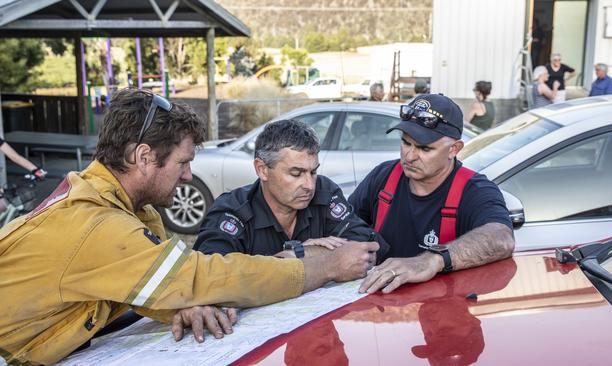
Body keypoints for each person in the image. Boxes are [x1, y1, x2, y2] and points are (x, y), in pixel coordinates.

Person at [0, 89, 376, 365]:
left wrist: (180, 303)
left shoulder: (131, 210)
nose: (188, 175)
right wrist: (325, 265)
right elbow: (200, 274)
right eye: (182, 162)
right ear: (143, 157)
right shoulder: (96, 224)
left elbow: (170, 285)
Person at [348, 93, 515, 294]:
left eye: (424, 148)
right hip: (385, 312)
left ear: (454, 149)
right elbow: (345, 226)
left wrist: (432, 260)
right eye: (405, 142)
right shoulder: (383, 177)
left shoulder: (475, 190)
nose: (409, 156)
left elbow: (502, 238)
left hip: (441, 314)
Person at [194, 119, 387, 260]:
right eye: (296, 174)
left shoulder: (324, 192)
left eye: (313, 172)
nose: (309, 185)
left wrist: (308, 253)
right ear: (262, 169)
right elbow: (212, 276)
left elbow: (370, 245)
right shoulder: (233, 211)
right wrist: (301, 256)